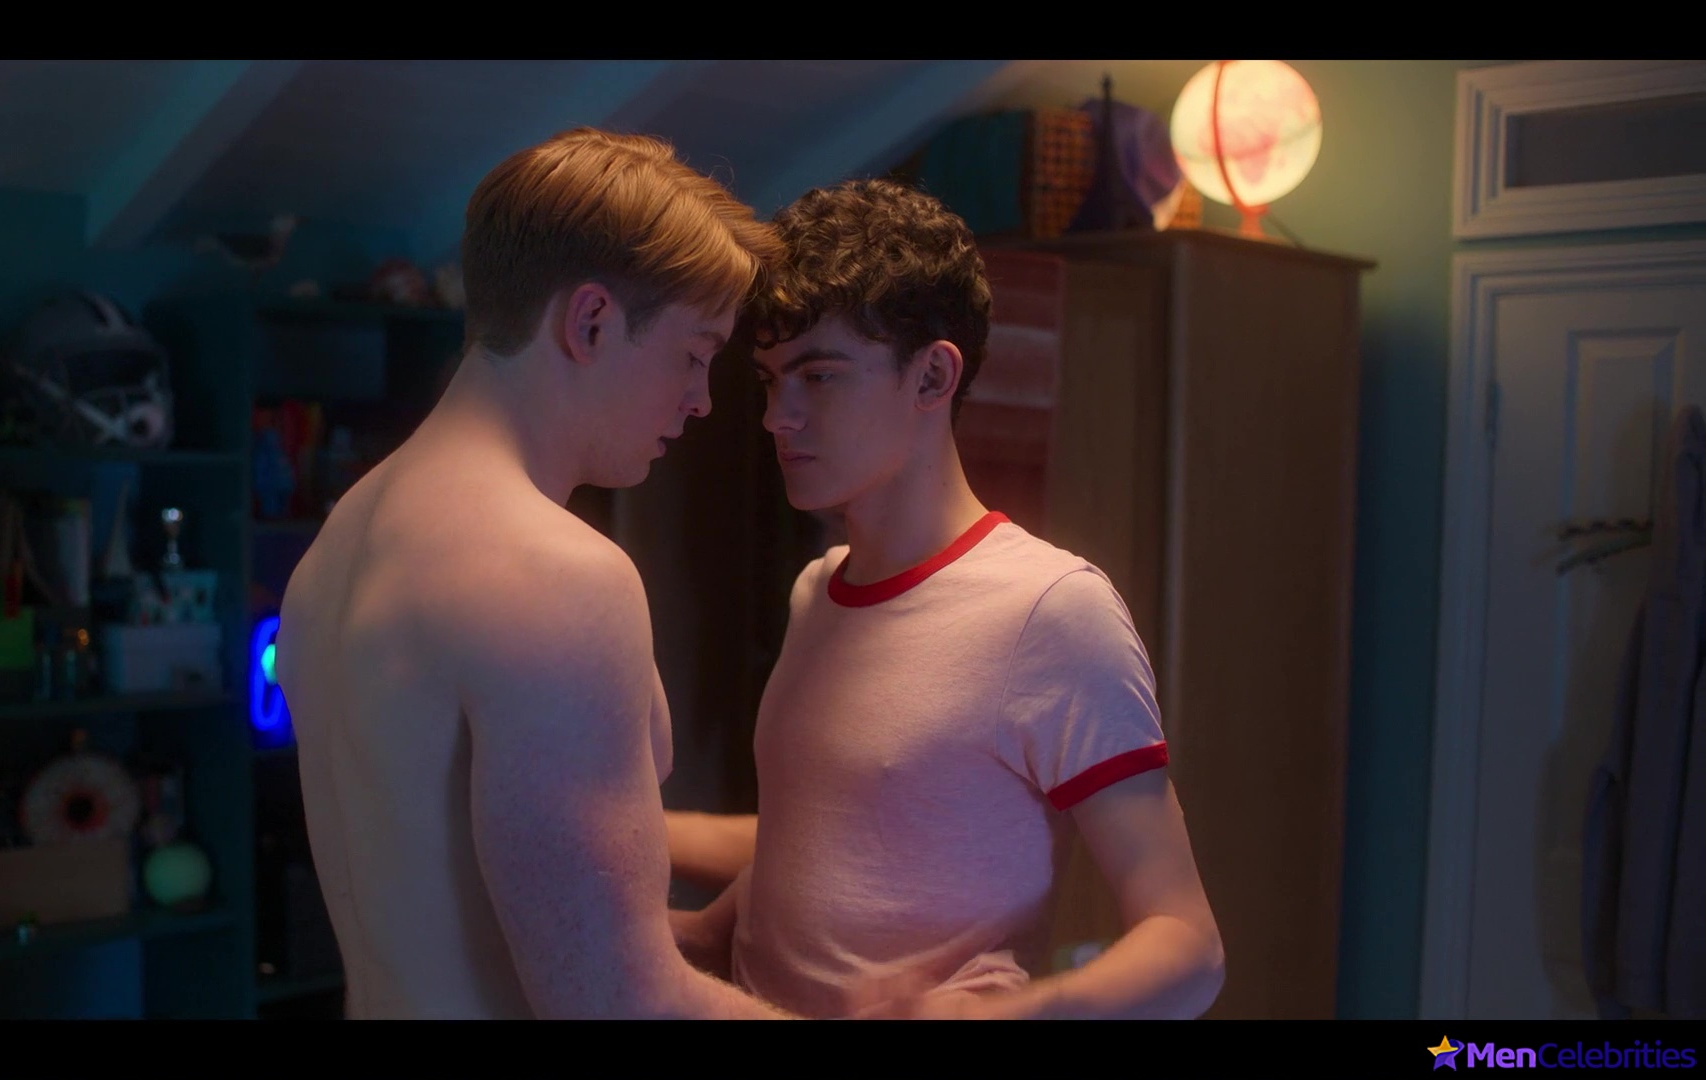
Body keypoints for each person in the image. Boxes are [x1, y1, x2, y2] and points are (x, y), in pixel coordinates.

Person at [667, 177, 1225, 1020]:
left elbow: (1188, 944)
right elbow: (837, 847)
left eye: (819, 376)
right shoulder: (819, 592)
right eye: (771, 380)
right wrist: (666, 915)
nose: (778, 416)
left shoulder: (1050, 610)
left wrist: (998, 1017)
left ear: (932, 375)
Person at [275, 126, 796, 1020]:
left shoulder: (338, 548)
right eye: (694, 353)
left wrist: (695, 934)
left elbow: (458, 921)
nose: (702, 400)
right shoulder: (556, 575)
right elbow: (621, 1007)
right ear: (590, 320)